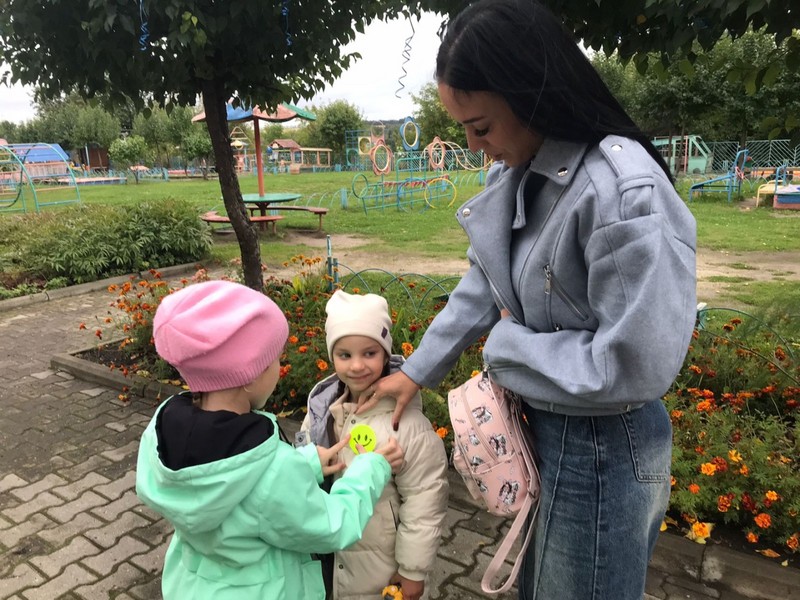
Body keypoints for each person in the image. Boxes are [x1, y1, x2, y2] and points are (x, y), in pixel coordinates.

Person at [356, 1, 697, 599]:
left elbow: (634, 364)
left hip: (603, 447)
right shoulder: (522, 170)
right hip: (545, 428)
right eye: (464, 129)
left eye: (482, 127)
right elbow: (484, 282)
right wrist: (415, 372)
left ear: (532, 94)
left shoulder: (619, 194)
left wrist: (508, 348)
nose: (474, 145)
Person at [134, 280, 404, 600]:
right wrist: (370, 469)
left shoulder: (164, 432)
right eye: (275, 358)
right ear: (251, 373)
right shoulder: (273, 473)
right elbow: (332, 525)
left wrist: (304, 464)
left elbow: (238, 486)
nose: (280, 365)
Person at [300, 290, 449, 600]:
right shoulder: (320, 413)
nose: (357, 366)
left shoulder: (405, 424)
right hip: (326, 563)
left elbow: (425, 499)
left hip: (381, 570)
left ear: (385, 353)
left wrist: (412, 570)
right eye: (345, 355)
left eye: (369, 353)